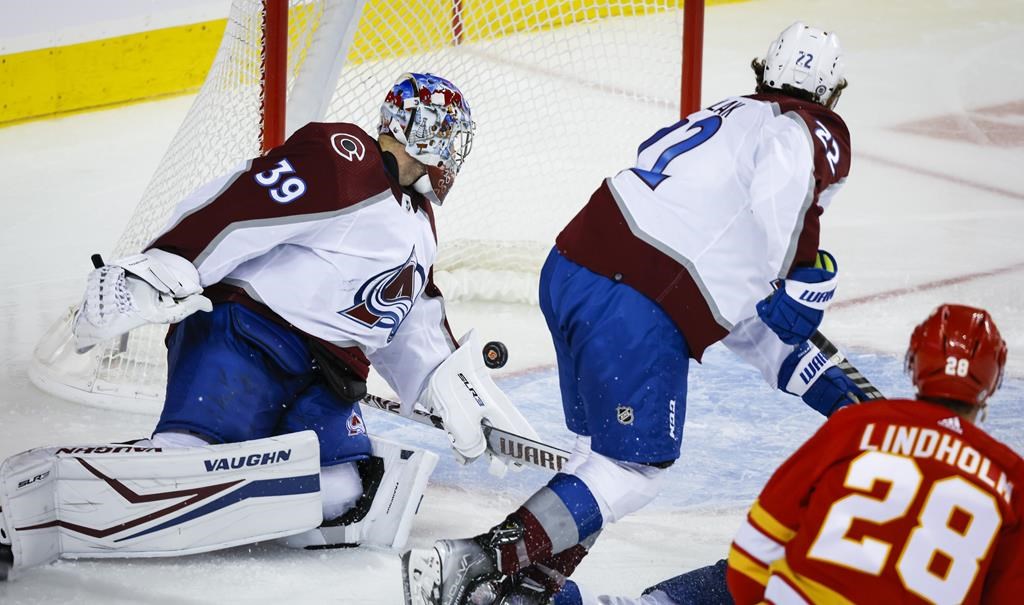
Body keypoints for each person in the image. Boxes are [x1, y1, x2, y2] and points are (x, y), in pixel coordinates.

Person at [0, 73, 536, 581]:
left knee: (346, 488)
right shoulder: (346, 159)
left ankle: (212, 494)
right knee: (183, 464)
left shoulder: (419, 226)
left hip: (324, 379)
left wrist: (460, 394)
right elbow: (243, 205)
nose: (451, 150)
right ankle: (27, 506)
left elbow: (411, 321)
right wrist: (166, 266)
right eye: (443, 132)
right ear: (405, 124)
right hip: (245, 342)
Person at [402, 22, 866, 605]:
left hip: (573, 267)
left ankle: (530, 588)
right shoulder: (802, 126)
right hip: (636, 299)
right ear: (830, 93)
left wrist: (844, 397)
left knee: (597, 460)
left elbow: (745, 312)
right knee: (633, 471)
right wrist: (803, 268)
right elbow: (787, 176)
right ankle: (473, 559)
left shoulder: (722, 125)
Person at [570, 303, 1021, 604]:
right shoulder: (1011, 479)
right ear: (994, 383)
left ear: (912, 366)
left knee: (747, 572)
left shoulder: (857, 427)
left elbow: (751, 558)